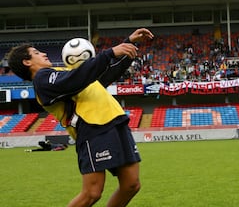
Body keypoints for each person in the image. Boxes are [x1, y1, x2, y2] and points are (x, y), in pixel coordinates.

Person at [8, 28, 154, 207]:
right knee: (92, 193)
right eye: (37, 53)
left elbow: (101, 74)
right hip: (93, 129)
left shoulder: (64, 73)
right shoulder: (42, 80)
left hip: (116, 121)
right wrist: (109, 53)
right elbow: (76, 78)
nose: (44, 53)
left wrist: (129, 43)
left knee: (131, 185)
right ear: (27, 62)